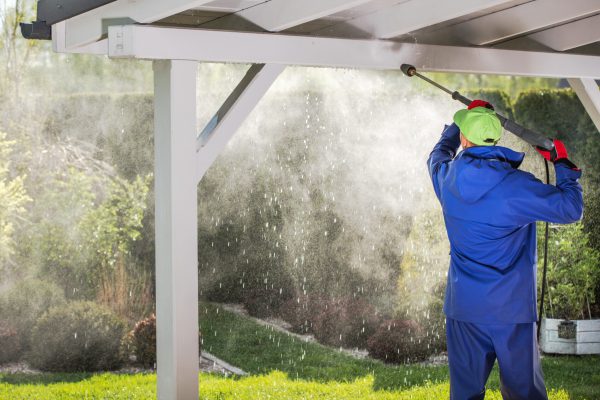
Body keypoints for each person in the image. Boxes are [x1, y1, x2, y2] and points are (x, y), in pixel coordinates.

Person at [427, 100, 584, 400]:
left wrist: (458, 125)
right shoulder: (518, 186)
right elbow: (571, 208)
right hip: (510, 311)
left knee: (464, 394)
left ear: (464, 139)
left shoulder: (447, 179)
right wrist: (563, 165)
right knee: (524, 394)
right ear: (495, 139)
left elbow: (437, 154)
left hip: (464, 309)